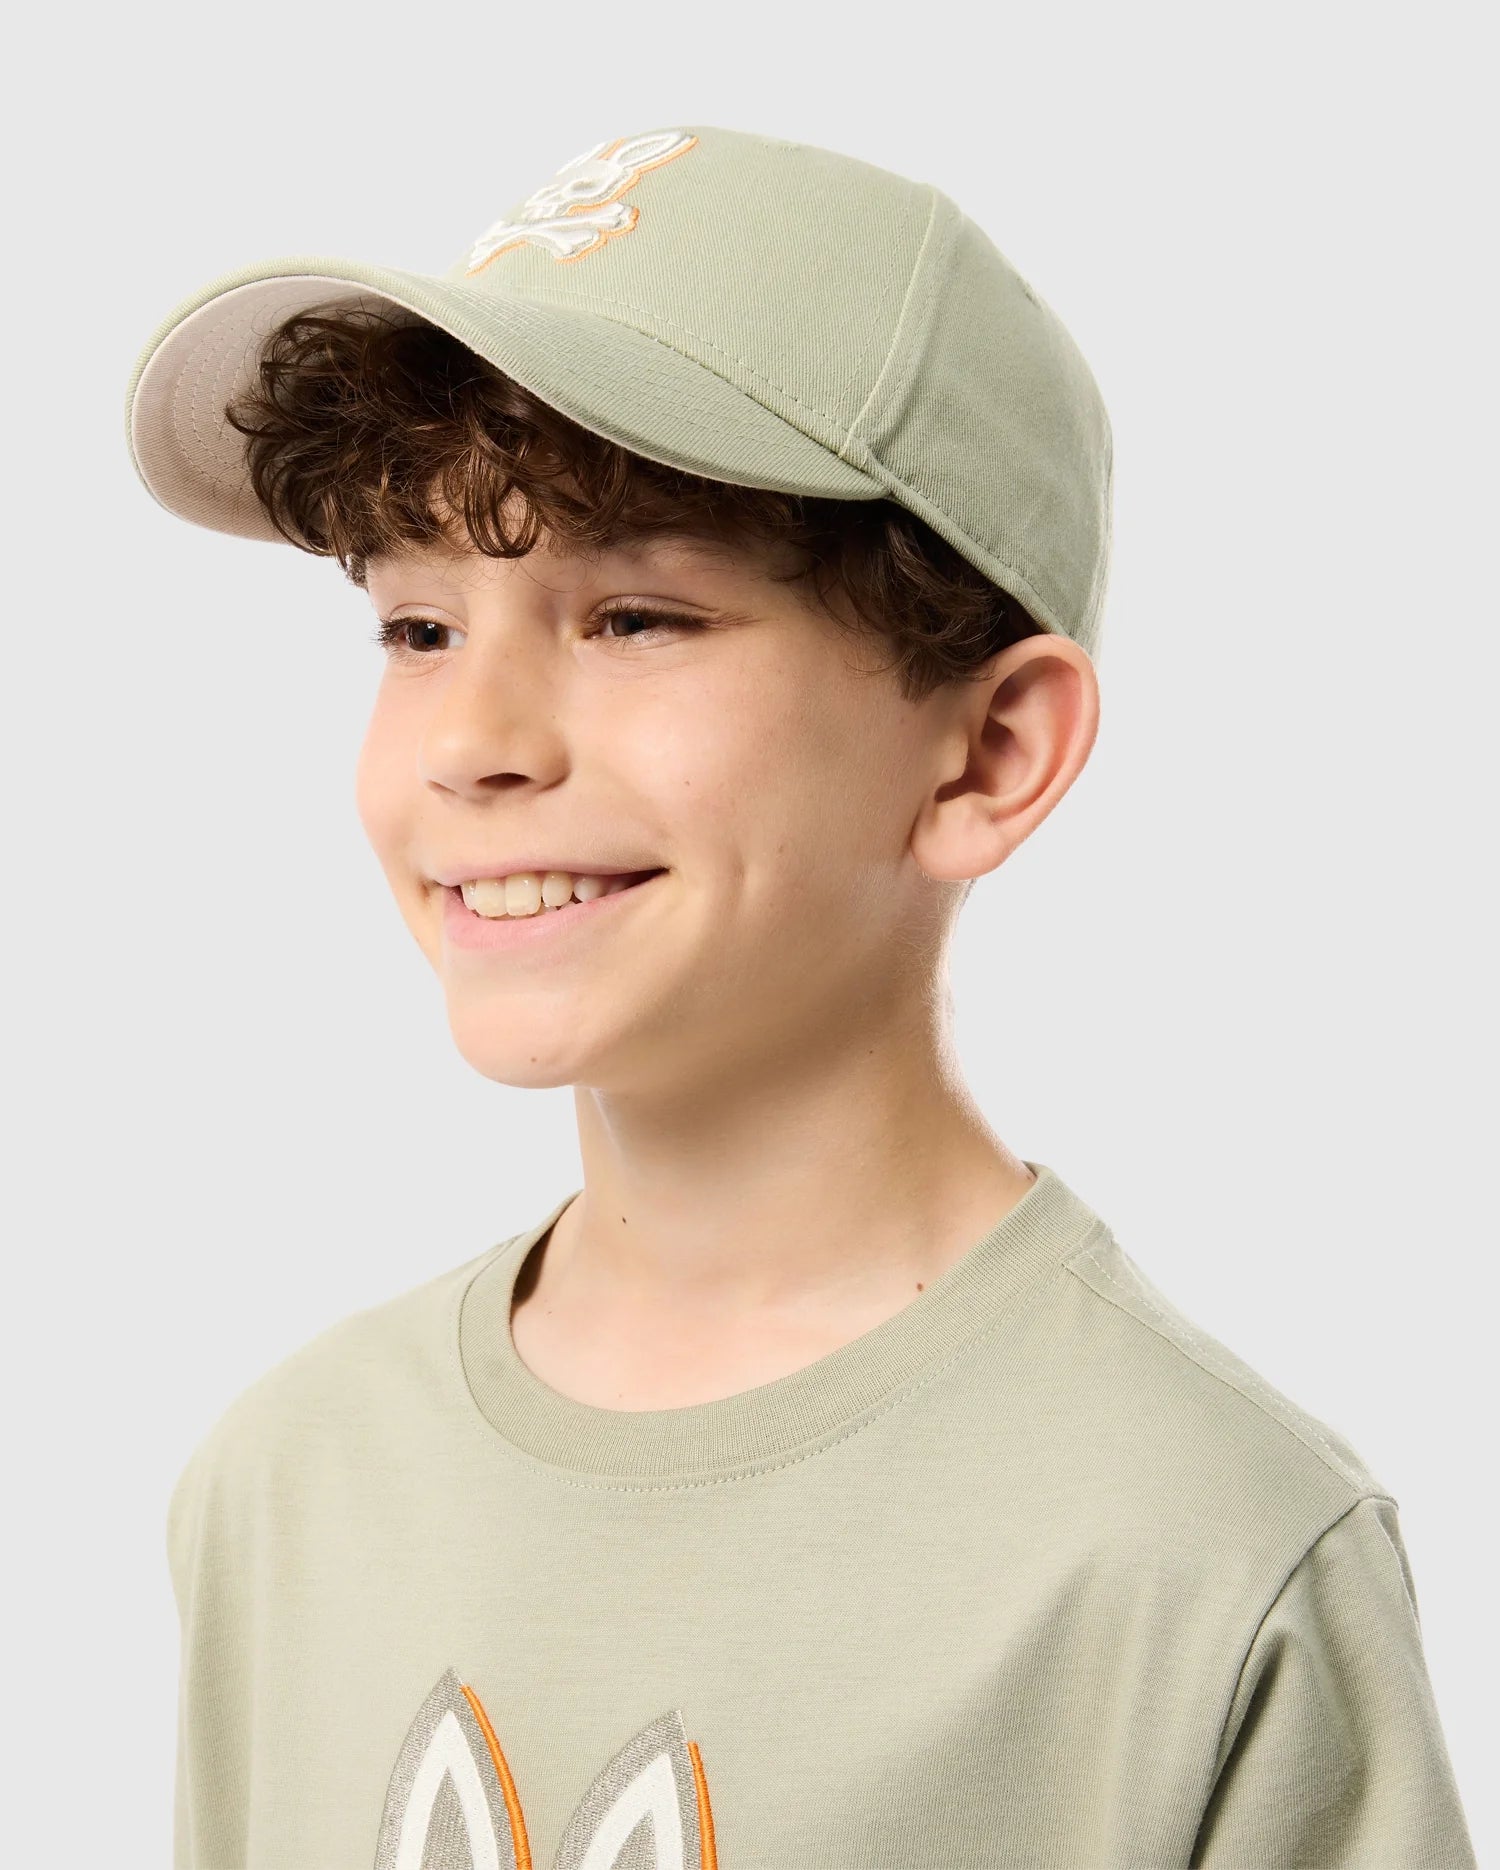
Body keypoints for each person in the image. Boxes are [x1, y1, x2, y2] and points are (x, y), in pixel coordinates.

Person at [123, 124, 1478, 1870]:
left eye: (633, 616)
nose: (470, 744)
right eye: (418, 629)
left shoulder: (1199, 1556)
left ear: (989, 749)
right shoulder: (290, 1483)